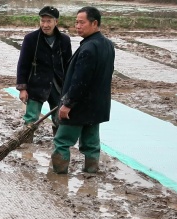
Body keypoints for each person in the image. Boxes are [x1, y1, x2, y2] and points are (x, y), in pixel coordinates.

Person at [52, 6, 115, 174]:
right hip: (97, 106)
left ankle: (59, 175)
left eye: (82, 22)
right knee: (91, 143)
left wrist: (68, 104)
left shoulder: (88, 48)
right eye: (76, 22)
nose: (78, 26)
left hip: (79, 107)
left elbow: (80, 81)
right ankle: (91, 170)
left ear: (94, 23)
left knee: (62, 141)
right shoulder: (108, 45)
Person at [16, 6, 72, 139]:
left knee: (59, 119)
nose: (45, 25)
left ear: (56, 22)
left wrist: (69, 89)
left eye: (49, 21)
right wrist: (22, 89)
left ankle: (59, 144)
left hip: (58, 85)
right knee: (31, 118)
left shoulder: (64, 40)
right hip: (36, 84)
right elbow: (23, 64)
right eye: (43, 21)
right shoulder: (31, 39)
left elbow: (69, 65)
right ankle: (26, 142)